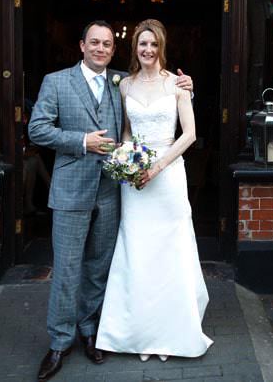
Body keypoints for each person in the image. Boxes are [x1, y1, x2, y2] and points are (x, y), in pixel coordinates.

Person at [28, 20, 193, 381]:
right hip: (71, 191)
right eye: (95, 43)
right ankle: (59, 342)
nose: (101, 48)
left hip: (113, 190)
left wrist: (186, 85)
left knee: (99, 268)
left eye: (107, 44)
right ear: (82, 45)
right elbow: (37, 129)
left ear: (114, 50)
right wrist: (81, 141)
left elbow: (154, 83)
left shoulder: (122, 81)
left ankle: (92, 333)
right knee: (67, 269)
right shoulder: (56, 82)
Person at [95, 19, 213, 360]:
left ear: (161, 47)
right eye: (141, 45)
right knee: (138, 251)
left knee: (169, 251)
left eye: (153, 44)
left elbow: (189, 134)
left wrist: (158, 166)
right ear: (135, 48)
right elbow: (129, 132)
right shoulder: (125, 85)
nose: (147, 50)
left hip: (169, 175)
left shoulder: (178, 84)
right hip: (137, 181)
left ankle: (172, 333)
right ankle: (139, 335)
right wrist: (130, 162)